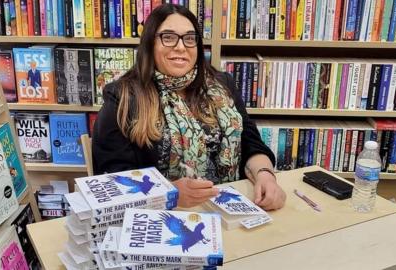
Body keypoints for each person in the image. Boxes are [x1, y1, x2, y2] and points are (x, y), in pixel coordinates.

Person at [92, 4, 286, 210]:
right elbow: (112, 177)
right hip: (160, 216)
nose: (181, 47)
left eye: (189, 38)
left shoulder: (223, 85)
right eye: (168, 37)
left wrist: (265, 175)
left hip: (228, 208)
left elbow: (249, 140)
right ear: (149, 43)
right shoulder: (122, 97)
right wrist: (168, 193)